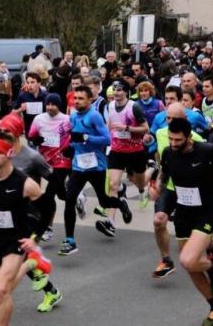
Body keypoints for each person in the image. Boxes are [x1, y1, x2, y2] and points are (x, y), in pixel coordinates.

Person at [0, 136, 59, 325]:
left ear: (9, 153)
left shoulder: (25, 184)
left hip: (15, 240)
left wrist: (35, 238)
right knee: (1, 292)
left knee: (2, 290)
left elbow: (48, 209)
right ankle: (30, 264)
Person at [160, 118, 213, 326]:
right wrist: (157, 186)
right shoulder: (168, 153)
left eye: (178, 140)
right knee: (191, 267)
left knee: (188, 260)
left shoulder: (208, 150)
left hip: (207, 213)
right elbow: (164, 174)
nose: (174, 143)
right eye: (171, 139)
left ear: (189, 138)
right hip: (183, 214)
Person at [59, 85, 125, 254]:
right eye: (75, 98)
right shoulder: (73, 117)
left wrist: (87, 137)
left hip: (96, 166)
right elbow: (75, 139)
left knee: (103, 201)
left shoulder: (94, 116)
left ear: (89, 100)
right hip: (79, 165)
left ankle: (121, 204)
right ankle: (70, 240)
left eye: (81, 98)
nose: (77, 101)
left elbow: (107, 139)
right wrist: (70, 148)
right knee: (70, 199)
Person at [28, 93, 72, 241]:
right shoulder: (39, 119)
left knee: (49, 195)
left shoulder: (67, 120)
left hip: (62, 162)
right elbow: (31, 136)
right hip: (45, 162)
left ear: (58, 105)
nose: (50, 107)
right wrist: (35, 139)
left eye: (53, 104)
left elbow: (76, 136)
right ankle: (77, 196)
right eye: (48, 104)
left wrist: (71, 148)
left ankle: (48, 226)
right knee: (62, 195)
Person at [107, 79, 149, 212]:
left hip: (135, 151)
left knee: (139, 181)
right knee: (113, 184)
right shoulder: (110, 105)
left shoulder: (134, 107)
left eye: (119, 90)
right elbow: (109, 126)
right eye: (114, 90)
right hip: (117, 150)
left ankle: (143, 191)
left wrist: (126, 128)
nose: (116, 93)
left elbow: (145, 129)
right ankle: (110, 221)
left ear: (126, 92)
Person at [13, 72, 47, 136]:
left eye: (32, 82)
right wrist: (20, 109)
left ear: (39, 84)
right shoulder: (23, 96)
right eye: (28, 82)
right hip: (29, 131)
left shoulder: (46, 96)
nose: (29, 85)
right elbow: (13, 112)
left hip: (44, 130)